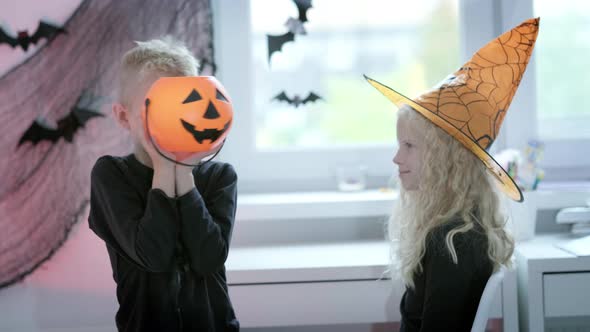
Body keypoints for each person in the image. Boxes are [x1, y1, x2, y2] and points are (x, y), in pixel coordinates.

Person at [364, 18, 540, 331]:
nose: (396, 157)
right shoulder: (456, 231)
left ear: (446, 159)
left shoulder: (452, 242)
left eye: (409, 145)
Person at [88, 37, 239, 332]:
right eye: (157, 108)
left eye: (183, 105)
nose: (171, 118)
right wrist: (164, 168)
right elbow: (153, 255)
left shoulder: (220, 178)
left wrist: (182, 171)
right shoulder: (111, 176)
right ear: (124, 117)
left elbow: (209, 259)